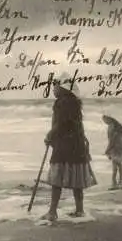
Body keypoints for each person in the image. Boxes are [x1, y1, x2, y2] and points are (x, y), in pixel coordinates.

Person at [42, 75, 97, 221]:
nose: (53, 89)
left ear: (62, 88)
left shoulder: (61, 102)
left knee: (57, 178)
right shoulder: (75, 103)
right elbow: (76, 126)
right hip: (77, 145)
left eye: (55, 86)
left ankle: (52, 212)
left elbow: (59, 124)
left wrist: (49, 136)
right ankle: (80, 210)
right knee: (77, 179)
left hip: (64, 145)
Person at [102, 115, 122, 189]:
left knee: (115, 165)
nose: (104, 122)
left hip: (115, 148)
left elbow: (111, 140)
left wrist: (108, 150)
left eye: (104, 120)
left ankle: (114, 181)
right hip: (119, 148)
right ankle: (119, 180)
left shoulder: (111, 127)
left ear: (108, 119)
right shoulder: (116, 125)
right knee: (119, 165)